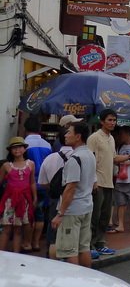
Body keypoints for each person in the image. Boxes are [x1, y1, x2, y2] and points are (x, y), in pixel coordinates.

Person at [87, 109, 130, 256]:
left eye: (114, 120)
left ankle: (100, 243)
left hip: (109, 182)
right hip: (97, 182)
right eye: (109, 120)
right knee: (95, 216)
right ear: (102, 121)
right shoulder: (94, 138)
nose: (112, 123)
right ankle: (89, 245)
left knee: (105, 217)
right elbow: (89, 160)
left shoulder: (111, 139)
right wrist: (93, 180)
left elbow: (114, 159)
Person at [51, 121, 96, 267]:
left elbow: (70, 187)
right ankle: (86, 280)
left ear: (78, 136)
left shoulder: (75, 159)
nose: (66, 135)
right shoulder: (90, 155)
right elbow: (94, 183)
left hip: (72, 210)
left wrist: (60, 214)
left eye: (69, 132)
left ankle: (74, 281)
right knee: (84, 247)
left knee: (69, 251)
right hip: (87, 206)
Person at [38, 117, 79, 258]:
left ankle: (51, 261)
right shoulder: (81, 156)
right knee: (72, 237)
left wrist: (53, 187)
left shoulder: (50, 158)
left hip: (54, 198)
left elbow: (42, 183)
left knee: (53, 234)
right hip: (76, 200)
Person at [0, 137, 36, 253]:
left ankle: (16, 255)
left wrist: (35, 197)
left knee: (18, 229)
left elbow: (32, 182)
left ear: (24, 149)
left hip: (24, 200)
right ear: (10, 151)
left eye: (19, 147)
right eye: (14, 148)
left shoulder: (30, 164)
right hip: (10, 201)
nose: (17, 150)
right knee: (6, 228)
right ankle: (2, 254)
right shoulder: (6, 166)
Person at [23, 114, 52, 252]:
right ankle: (36, 243)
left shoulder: (24, 145)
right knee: (40, 214)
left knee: (28, 215)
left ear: (26, 128)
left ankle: (27, 242)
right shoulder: (47, 145)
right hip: (44, 184)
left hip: (29, 184)